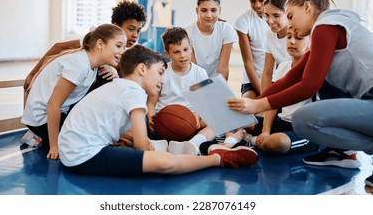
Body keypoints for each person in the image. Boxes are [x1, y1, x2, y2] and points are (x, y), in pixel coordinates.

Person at [226, 0, 373, 184]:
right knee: (321, 79)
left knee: (304, 119)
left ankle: (345, 151)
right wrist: (256, 103)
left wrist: (258, 106)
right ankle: (341, 153)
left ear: (307, 7)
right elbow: (292, 77)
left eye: (290, 16)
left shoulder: (325, 26)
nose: (290, 24)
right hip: (366, 101)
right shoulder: (328, 27)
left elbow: (309, 86)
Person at [58, 45, 258, 177]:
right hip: (83, 157)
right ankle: (218, 158)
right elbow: (141, 145)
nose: (162, 80)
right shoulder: (133, 91)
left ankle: (181, 148)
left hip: (72, 151)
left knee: (137, 143)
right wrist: (147, 147)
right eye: (160, 73)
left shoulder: (117, 86)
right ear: (142, 69)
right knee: (165, 163)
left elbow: (125, 133)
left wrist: (136, 143)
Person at [21, 24, 127, 160]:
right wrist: (54, 146)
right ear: (100, 44)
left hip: (63, 111)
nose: (122, 51)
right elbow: (54, 104)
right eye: (118, 46)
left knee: (106, 81)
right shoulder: (79, 64)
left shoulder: (93, 66)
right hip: (41, 119)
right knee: (92, 141)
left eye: (124, 47)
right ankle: (40, 135)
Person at [23, 0, 147, 101]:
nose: (135, 35)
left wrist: (114, 71)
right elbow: (58, 47)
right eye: (131, 29)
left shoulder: (129, 53)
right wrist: (32, 74)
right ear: (115, 26)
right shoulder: (98, 39)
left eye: (138, 30)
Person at [147, 27, 242, 155]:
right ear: (167, 54)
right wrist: (151, 117)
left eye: (186, 50)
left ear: (191, 48)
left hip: (191, 120)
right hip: (165, 120)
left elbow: (205, 102)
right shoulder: (162, 72)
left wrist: (198, 114)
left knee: (223, 117)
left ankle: (194, 143)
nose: (183, 55)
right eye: (176, 52)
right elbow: (152, 101)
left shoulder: (200, 73)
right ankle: (170, 143)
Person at [249, 27, 319, 155]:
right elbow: (273, 103)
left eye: (298, 38)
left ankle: (251, 140)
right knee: (240, 120)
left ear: (311, 43)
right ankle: (251, 139)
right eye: (288, 37)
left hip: (303, 131)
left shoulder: (315, 72)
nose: (292, 42)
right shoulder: (283, 67)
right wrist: (265, 130)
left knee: (275, 143)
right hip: (281, 123)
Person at [234, 0, 276, 98]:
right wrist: (263, 93)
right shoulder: (243, 21)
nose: (257, 5)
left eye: (261, 0)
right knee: (249, 111)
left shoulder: (282, 18)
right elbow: (248, 62)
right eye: (252, 1)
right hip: (253, 80)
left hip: (277, 78)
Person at [184, 0, 236, 80]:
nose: (209, 15)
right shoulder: (187, 32)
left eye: (213, 10)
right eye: (204, 10)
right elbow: (193, 68)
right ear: (197, 11)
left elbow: (223, 67)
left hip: (217, 81)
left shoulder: (226, 29)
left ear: (219, 11)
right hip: (195, 81)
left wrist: (219, 89)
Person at [261, 0, 290, 92]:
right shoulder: (270, 34)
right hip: (281, 82)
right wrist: (263, 100)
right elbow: (267, 72)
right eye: (267, 15)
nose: (270, 21)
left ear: (288, 14)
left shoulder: (299, 34)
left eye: (276, 16)